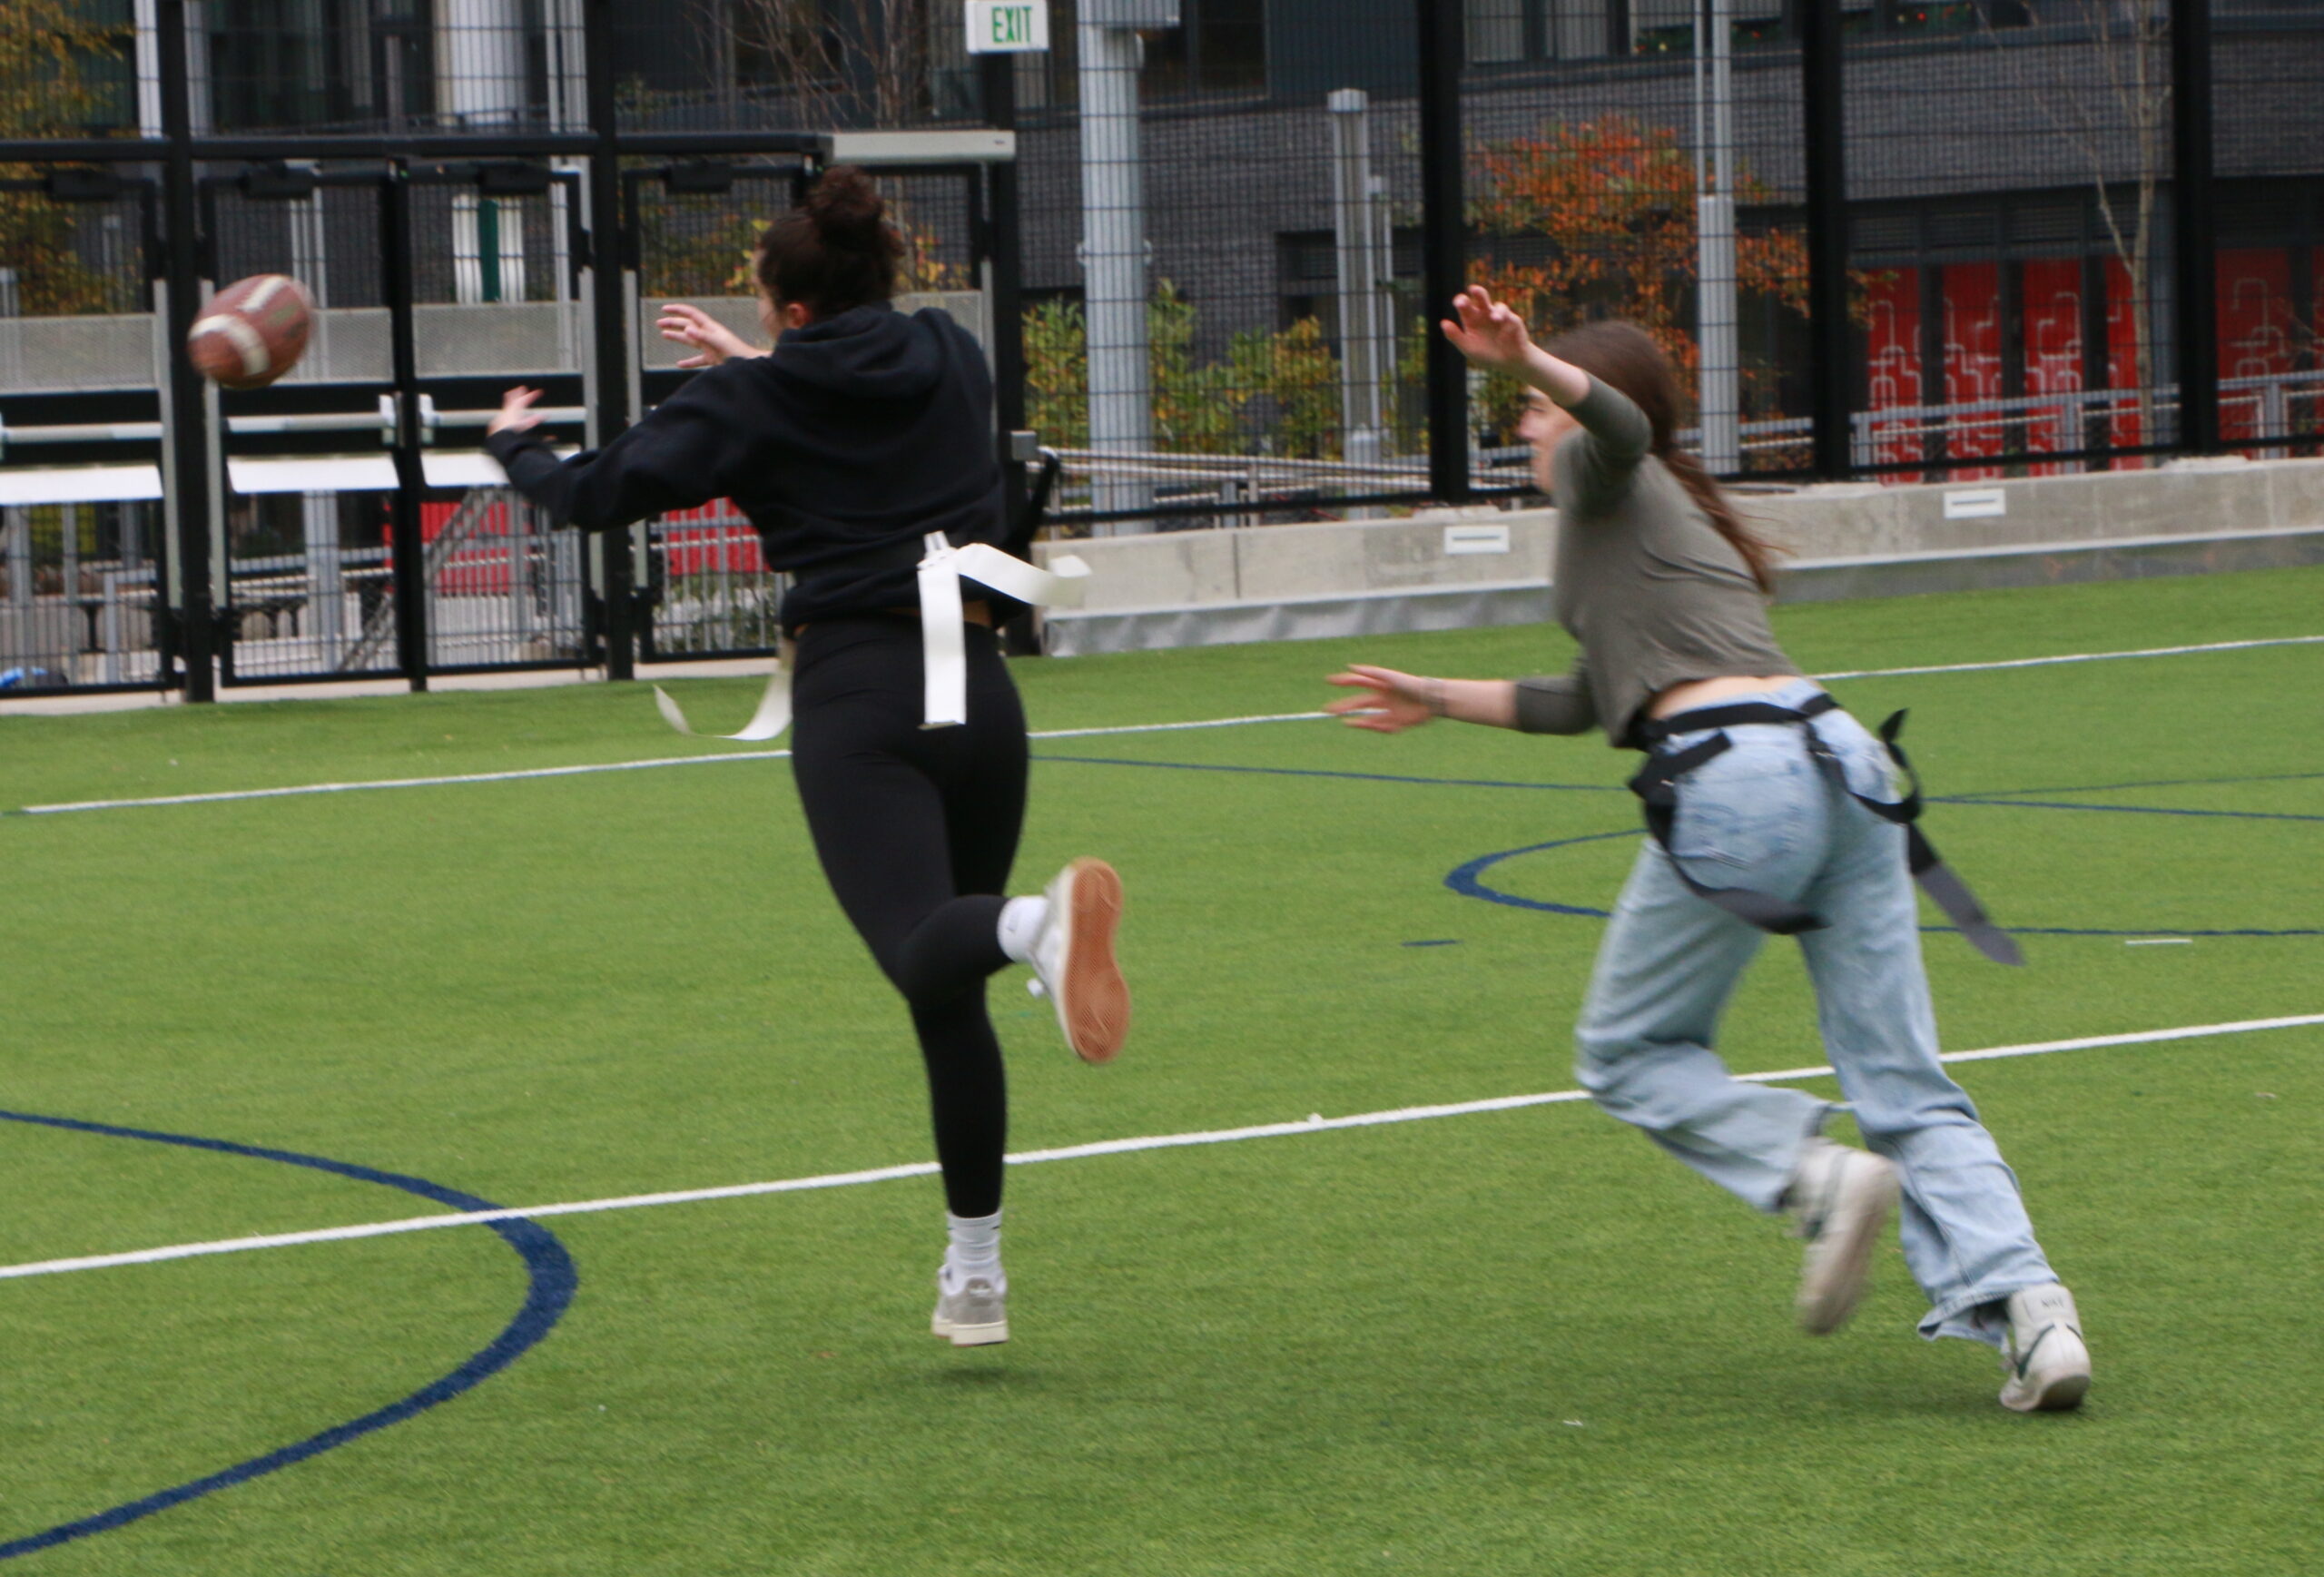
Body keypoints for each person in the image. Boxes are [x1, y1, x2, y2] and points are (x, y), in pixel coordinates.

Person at [1324, 291, 2089, 1413]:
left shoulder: (1611, 471)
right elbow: (1583, 700)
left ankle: (1813, 1179)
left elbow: (1618, 425)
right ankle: (2034, 1314)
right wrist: (1432, 695)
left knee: (1628, 1053)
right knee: (1900, 1076)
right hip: (1843, 761)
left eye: (1532, 408)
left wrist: (1525, 356)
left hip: (1741, 777)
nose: (1522, 423)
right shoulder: (1647, 519)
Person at [483, 167, 1131, 1349]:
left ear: (789, 310)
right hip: (978, 681)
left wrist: (516, 444)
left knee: (924, 948)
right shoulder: (948, 350)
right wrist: (756, 367)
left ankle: (1038, 926)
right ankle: (975, 1276)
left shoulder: (749, 399)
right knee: (946, 985)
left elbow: (590, 495)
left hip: (864, 685)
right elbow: (857, 413)